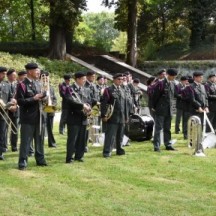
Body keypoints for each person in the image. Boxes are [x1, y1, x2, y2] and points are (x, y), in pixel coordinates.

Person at [16, 63, 47, 170]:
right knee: (26, 141)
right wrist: (33, 98)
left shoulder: (39, 84)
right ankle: (22, 162)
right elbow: (20, 101)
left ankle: (40, 160)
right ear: (30, 72)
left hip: (39, 116)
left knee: (40, 140)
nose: (38, 72)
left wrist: (44, 99)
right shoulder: (22, 85)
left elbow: (41, 98)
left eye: (38, 70)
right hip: (28, 118)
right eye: (36, 70)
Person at [65, 71, 92, 163]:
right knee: (73, 138)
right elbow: (70, 101)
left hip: (83, 117)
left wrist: (89, 107)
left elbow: (89, 100)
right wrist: (82, 106)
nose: (85, 81)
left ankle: (79, 156)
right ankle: (70, 157)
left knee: (82, 138)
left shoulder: (85, 89)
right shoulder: (69, 89)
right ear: (77, 79)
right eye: (83, 79)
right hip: (74, 117)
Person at [101, 73, 129, 158]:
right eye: (118, 79)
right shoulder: (108, 90)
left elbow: (125, 104)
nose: (120, 81)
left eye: (122, 79)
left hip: (122, 116)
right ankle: (107, 151)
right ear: (114, 79)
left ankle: (119, 149)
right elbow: (104, 103)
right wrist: (104, 115)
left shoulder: (123, 90)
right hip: (112, 116)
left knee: (120, 135)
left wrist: (126, 116)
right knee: (110, 135)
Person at [151, 68, 178, 152]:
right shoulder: (160, 83)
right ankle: (157, 146)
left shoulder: (173, 84)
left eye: (174, 76)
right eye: (173, 76)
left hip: (169, 109)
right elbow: (155, 96)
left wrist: (173, 109)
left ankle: (168, 144)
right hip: (161, 108)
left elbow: (173, 97)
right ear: (168, 75)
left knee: (168, 128)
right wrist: (153, 106)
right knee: (158, 128)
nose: (174, 78)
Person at [0, 66, 16, 160]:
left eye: (5, 74)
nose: (4, 76)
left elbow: (11, 97)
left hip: (3, 113)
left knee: (2, 133)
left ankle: (0, 153)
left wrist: (12, 104)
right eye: (3, 74)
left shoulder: (6, 85)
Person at [40, 71, 57, 148]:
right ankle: (41, 143)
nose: (45, 79)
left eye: (47, 77)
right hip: (43, 108)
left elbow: (54, 98)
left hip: (50, 108)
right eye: (43, 77)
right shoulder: (40, 87)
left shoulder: (51, 87)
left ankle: (52, 143)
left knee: (50, 127)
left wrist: (53, 105)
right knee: (42, 126)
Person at [6, 69, 19, 152]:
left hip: (16, 109)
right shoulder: (4, 84)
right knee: (5, 129)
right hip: (7, 109)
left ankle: (14, 146)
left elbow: (20, 97)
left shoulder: (18, 85)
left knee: (15, 128)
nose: (15, 77)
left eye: (15, 75)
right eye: (13, 75)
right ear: (8, 76)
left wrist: (16, 105)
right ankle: (4, 145)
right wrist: (9, 106)